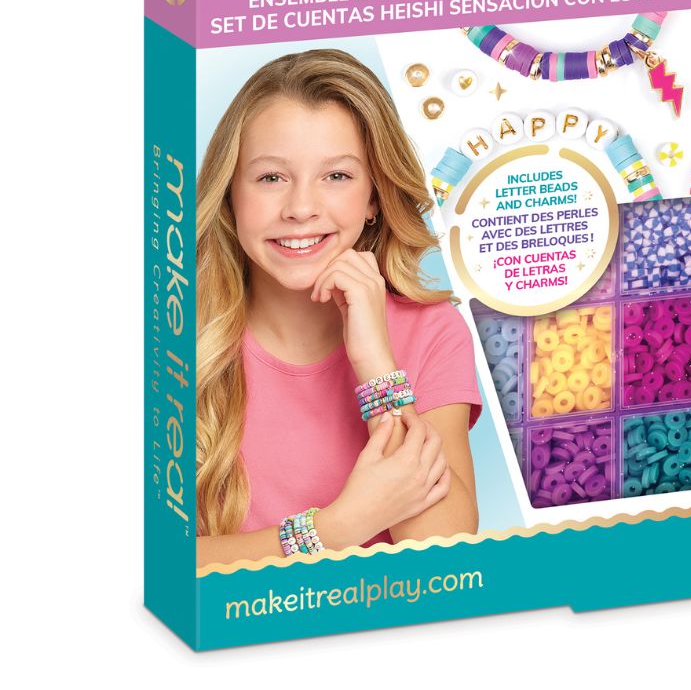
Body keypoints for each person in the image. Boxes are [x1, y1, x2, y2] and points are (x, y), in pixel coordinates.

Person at [195, 49, 480, 568]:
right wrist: (335, 529)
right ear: (230, 193)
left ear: (374, 196)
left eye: (337, 176)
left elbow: (443, 554)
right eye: (271, 177)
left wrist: (375, 362)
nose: (301, 208)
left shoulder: (432, 332)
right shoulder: (177, 334)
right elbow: (151, 566)